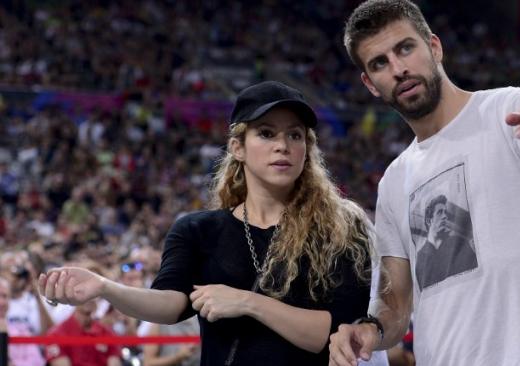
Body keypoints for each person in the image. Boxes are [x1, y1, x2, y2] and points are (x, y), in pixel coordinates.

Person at [328, 1, 520, 365]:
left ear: (434, 47)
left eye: (405, 48)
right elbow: (396, 305)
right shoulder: (393, 182)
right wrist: (369, 328)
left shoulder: (508, 112)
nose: (398, 69)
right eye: (379, 63)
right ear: (370, 84)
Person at [39, 81, 374, 365]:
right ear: (237, 148)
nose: (282, 146)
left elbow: (335, 332)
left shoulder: (341, 229)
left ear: (307, 149)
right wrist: (105, 287)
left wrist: (248, 302)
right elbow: (170, 304)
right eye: (266, 133)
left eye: (295, 135)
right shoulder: (198, 230)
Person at [44, 298, 122, 366]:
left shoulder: (108, 333)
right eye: (83, 293)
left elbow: (114, 362)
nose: (89, 299)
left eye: (93, 295)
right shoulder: (56, 335)